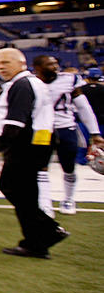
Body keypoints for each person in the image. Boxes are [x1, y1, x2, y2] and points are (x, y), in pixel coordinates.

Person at [0, 48, 69, 259]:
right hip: (37, 142)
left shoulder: (22, 85)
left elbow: (15, 122)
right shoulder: (31, 83)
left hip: (25, 145)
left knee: (10, 186)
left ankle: (48, 230)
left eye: (6, 62)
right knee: (26, 193)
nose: (1, 67)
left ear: (21, 62)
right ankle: (36, 243)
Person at [31, 55, 103, 215]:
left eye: (56, 63)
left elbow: (84, 107)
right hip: (42, 129)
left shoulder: (69, 79)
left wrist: (95, 132)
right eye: (50, 64)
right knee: (41, 167)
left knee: (69, 167)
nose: (55, 67)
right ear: (37, 68)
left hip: (66, 127)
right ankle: (45, 204)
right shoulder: (30, 82)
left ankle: (69, 199)